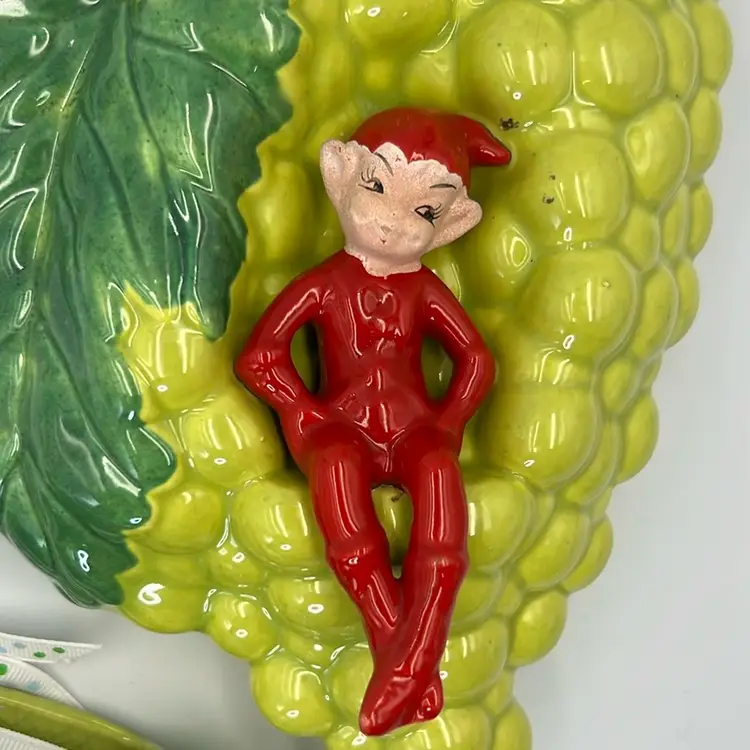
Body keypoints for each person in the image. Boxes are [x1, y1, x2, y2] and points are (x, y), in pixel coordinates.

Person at [235, 107, 511, 736]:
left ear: (452, 224)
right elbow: (260, 357)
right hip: (340, 427)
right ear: (341, 175)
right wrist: (302, 409)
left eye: (425, 210)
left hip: (415, 431)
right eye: (378, 185)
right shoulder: (324, 282)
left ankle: (405, 664)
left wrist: (450, 422)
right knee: (336, 467)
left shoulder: (425, 289)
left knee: (439, 477)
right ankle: (410, 665)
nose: (391, 219)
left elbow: (476, 359)